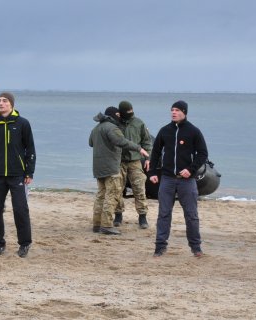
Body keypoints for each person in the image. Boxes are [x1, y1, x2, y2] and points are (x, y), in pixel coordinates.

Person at [148, 100, 208, 257]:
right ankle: (160, 247)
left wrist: (191, 169)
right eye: (172, 110)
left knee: (191, 215)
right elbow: (155, 153)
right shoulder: (164, 131)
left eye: (177, 110)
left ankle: (196, 248)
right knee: (164, 214)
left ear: (184, 112)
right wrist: (152, 172)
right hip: (167, 179)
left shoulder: (193, 131)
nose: (173, 112)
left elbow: (202, 154)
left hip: (186, 180)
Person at [0, 92, 36, 257]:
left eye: (5, 101)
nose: (1, 103)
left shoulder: (22, 123)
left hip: (18, 174)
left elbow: (30, 149)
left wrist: (29, 171)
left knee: (20, 209)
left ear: (11, 104)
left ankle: (24, 244)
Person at [89, 107, 149, 236]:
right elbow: (121, 141)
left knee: (100, 195)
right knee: (112, 196)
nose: (119, 117)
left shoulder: (96, 128)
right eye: (117, 115)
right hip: (111, 168)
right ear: (113, 116)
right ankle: (106, 225)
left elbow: (91, 143)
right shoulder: (112, 128)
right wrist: (139, 148)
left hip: (98, 168)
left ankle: (97, 224)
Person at [114, 100, 153, 229]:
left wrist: (148, 157)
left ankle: (142, 216)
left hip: (135, 161)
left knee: (139, 188)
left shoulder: (139, 123)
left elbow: (147, 141)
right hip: (119, 161)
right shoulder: (115, 123)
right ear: (120, 113)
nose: (130, 115)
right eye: (127, 113)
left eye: (131, 113)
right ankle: (118, 214)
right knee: (117, 188)